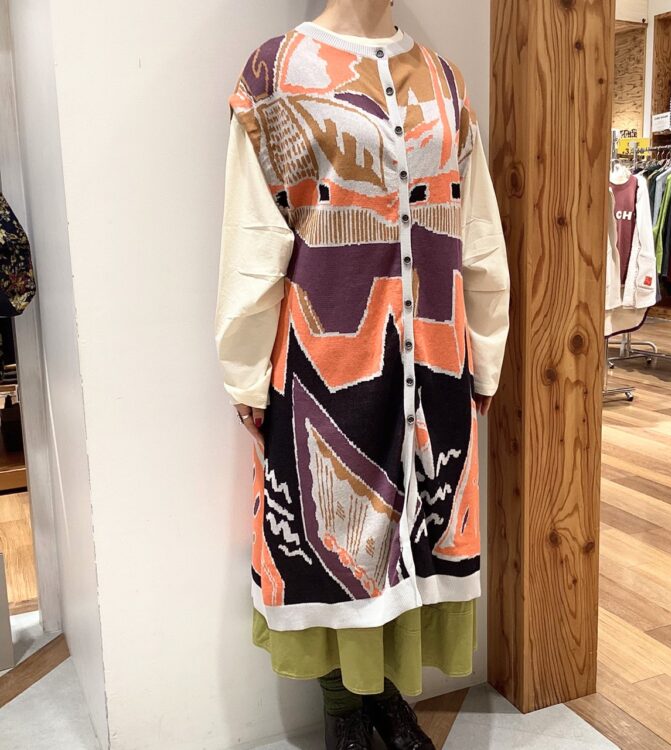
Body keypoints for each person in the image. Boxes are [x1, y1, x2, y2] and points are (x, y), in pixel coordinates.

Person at [214, 1, 510, 747]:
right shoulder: (276, 75)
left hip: (437, 363)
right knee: (334, 538)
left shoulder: (445, 82)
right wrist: (245, 373)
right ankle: (343, 711)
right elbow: (253, 237)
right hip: (329, 362)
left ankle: (382, 698)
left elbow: (477, 230)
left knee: (417, 535)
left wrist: (485, 352)